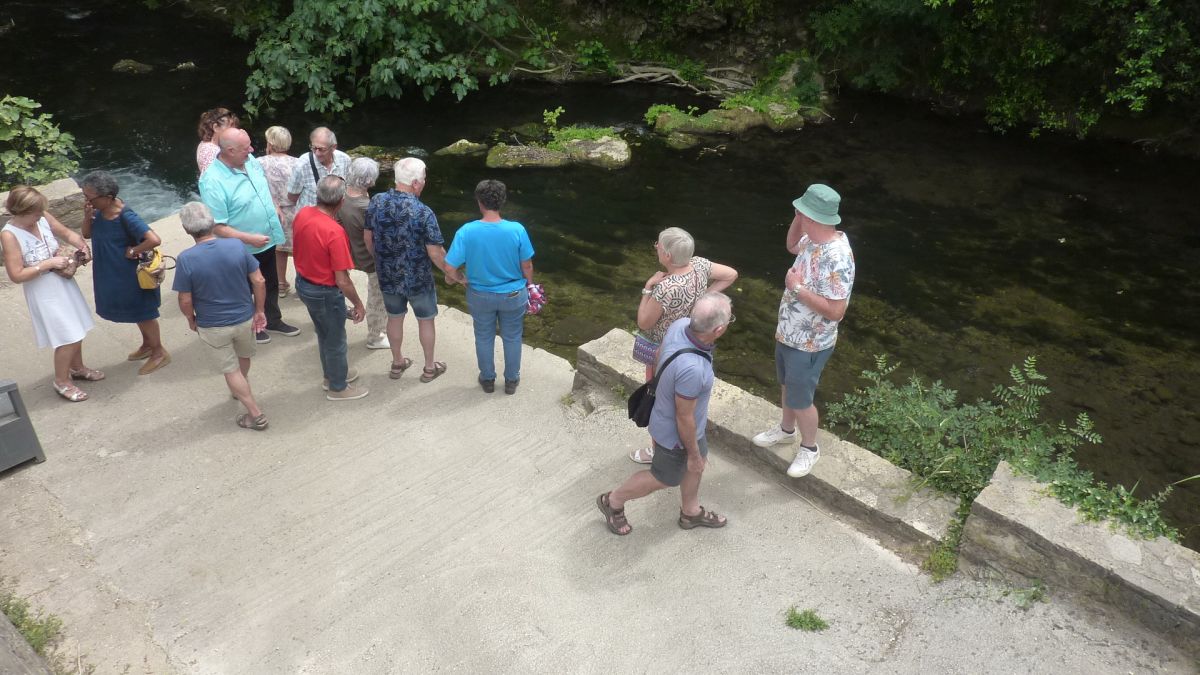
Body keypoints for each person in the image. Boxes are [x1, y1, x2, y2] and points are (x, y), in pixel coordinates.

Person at [597, 293, 734, 535]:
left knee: (697, 466)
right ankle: (613, 501)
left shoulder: (680, 325)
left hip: (689, 427)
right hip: (675, 434)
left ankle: (690, 512)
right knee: (664, 477)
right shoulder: (693, 370)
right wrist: (691, 453)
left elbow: (659, 355)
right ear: (719, 329)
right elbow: (684, 417)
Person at [752, 184, 856, 478]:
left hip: (810, 343)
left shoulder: (837, 258)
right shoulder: (813, 239)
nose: (797, 215)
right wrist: (799, 217)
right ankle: (786, 431)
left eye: (802, 212)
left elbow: (836, 312)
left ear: (814, 218)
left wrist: (795, 288)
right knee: (786, 385)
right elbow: (791, 245)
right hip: (789, 332)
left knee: (801, 399)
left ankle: (810, 448)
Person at [629, 227, 738, 464]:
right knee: (685, 400)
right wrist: (704, 298)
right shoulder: (699, 265)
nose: (656, 246)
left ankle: (658, 450)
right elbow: (730, 274)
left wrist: (648, 288)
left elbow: (644, 322)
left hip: (663, 351)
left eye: (658, 244)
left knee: (657, 397)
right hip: (691, 343)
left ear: (667, 256)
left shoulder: (667, 287)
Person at [172, 202, 270, 430]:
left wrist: (190, 319)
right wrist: (260, 310)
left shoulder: (186, 259)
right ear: (212, 223)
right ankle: (241, 389)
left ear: (187, 230)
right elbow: (259, 280)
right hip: (244, 317)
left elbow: (185, 299)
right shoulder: (236, 246)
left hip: (213, 325)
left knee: (230, 369)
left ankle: (255, 414)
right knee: (243, 357)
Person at [199, 127, 300, 344]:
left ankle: (272, 319)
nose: (252, 150)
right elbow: (217, 227)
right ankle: (252, 326)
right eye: (246, 148)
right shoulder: (212, 181)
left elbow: (261, 188)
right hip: (241, 249)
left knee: (270, 282)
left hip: (267, 240)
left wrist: (275, 206)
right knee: (245, 289)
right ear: (229, 150)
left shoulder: (249, 160)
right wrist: (249, 238)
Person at [1, 186, 100, 402]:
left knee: (77, 328)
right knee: (67, 335)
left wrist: (81, 246)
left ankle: (77, 367)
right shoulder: (10, 235)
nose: (39, 216)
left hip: (62, 282)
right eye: (35, 213)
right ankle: (62, 380)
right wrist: (46, 264)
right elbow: (16, 274)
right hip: (43, 290)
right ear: (21, 211)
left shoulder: (41, 216)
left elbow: (65, 232)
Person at [364, 157, 457, 383]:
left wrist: (380, 260)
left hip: (388, 275)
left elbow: (368, 237)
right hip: (419, 279)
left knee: (394, 319)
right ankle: (428, 368)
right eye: (423, 179)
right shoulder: (423, 212)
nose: (424, 183)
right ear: (415, 183)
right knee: (426, 320)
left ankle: (397, 363)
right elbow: (435, 252)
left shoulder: (376, 201)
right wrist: (452, 273)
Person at [443, 179, 534, 395]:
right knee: (512, 336)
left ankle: (487, 379)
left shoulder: (467, 231)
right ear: (502, 201)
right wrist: (530, 287)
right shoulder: (517, 230)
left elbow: (448, 267)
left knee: (484, 336)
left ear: (479, 202)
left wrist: (459, 278)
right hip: (513, 294)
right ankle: (511, 381)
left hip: (479, 294)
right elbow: (527, 265)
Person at [79, 171, 170, 375]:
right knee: (135, 313)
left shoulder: (125, 216)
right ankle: (147, 345)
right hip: (112, 272)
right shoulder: (97, 212)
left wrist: (133, 250)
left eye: (90, 198)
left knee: (143, 313)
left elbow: (154, 239)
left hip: (131, 276)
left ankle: (159, 352)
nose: (87, 201)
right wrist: (87, 216)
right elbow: (86, 234)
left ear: (107, 197)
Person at [293, 176, 368, 401]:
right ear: (341, 201)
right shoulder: (334, 232)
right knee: (336, 339)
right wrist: (358, 304)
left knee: (323, 333)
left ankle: (332, 375)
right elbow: (342, 279)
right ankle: (338, 387)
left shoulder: (303, 213)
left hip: (304, 284)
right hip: (324, 291)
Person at [337, 157, 389, 350]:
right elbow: (374, 238)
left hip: (350, 252)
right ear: (370, 180)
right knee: (377, 297)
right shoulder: (368, 207)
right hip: (368, 258)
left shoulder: (342, 197)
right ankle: (376, 336)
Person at [259, 126, 298, 297]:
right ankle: (303, 282)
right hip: (296, 210)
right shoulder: (297, 162)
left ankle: (280, 284)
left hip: (272, 212)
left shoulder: (258, 162)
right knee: (300, 249)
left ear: (270, 143)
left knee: (278, 249)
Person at [287, 127, 350, 211]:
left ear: (333, 147)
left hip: (336, 217)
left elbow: (348, 187)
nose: (317, 153)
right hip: (310, 218)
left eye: (321, 149)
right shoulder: (302, 164)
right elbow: (292, 196)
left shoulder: (345, 160)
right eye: (314, 148)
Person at [195, 107, 239, 176]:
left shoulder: (204, 143)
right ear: (216, 127)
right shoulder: (211, 151)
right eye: (230, 126)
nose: (235, 130)